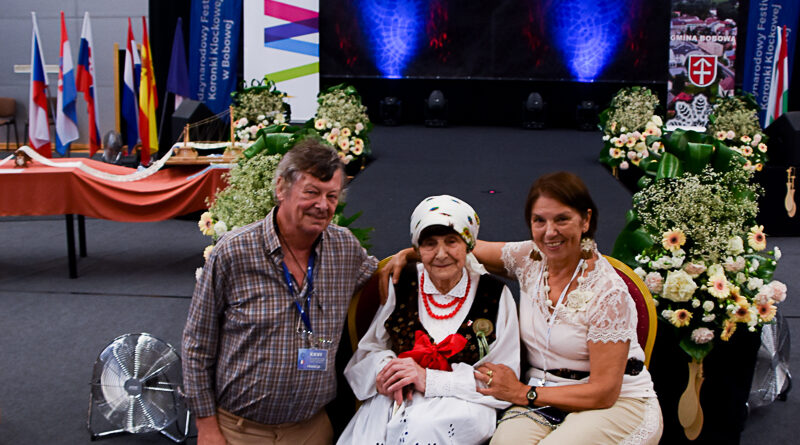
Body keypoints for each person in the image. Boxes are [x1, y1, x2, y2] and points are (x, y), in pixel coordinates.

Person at [383, 172, 662, 444]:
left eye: (562, 219)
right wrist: (411, 253)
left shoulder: (608, 291)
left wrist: (522, 393)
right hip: (543, 395)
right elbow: (457, 244)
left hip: (615, 403)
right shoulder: (529, 257)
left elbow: (603, 393)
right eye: (539, 220)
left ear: (585, 220)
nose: (550, 232)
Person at [182, 139, 378, 445]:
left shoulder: (344, 249)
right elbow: (197, 344)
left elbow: (380, 279)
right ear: (281, 188)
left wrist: (406, 259)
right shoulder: (234, 253)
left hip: (312, 431)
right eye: (311, 192)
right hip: (239, 433)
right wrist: (206, 425)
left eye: (331, 196)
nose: (323, 205)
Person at [338, 195, 520, 445]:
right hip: (400, 397)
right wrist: (389, 371)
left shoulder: (495, 294)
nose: (441, 254)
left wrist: (432, 380)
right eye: (430, 244)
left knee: (424, 427)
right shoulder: (402, 282)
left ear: (468, 245)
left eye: (452, 242)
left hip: (464, 403)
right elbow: (370, 350)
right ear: (417, 248)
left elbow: (503, 377)